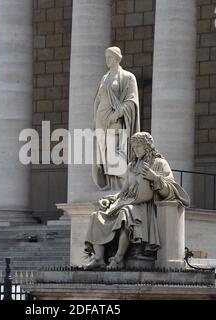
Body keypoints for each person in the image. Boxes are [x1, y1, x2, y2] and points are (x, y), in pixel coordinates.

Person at [84, 132, 190, 270]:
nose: (135, 150)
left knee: (125, 212)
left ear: (147, 146)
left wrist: (155, 178)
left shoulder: (159, 163)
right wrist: (111, 199)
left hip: (145, 207)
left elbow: (171, 191)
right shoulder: (131, 166)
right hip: (127, 201)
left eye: (138, 146)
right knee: (97, 216)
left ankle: (119, 258)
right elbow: (124, 191)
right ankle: (99, 258)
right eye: (133, 147)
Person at [92, 46, 140, 191]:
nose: (108, 60)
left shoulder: (128, 77)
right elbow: (98, 99)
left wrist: (117, 114)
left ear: (118, 58)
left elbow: (132, 100)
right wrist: (95, 119)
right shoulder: (104, 78)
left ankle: (128, 185)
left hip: (115, 120)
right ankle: (111, 185)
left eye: (111, 57)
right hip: (101, 121)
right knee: (104, 155)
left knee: (116, 152)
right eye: (106, 57)